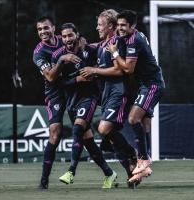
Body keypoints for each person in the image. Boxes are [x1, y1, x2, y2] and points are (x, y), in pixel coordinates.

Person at [51, 23, 117, 189]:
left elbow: (103, 64)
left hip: (89, 97)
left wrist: (95, 70)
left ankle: (71, 172)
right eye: (64, 36)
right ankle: (109, 173)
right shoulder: (58, 56)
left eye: (70, 35)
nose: (68, 39)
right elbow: (57, 83)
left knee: (77, 129)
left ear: (77, 35)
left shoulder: (89, 50)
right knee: (88, 142)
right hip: (72, 102)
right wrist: (75, 78)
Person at [80, 9, 138, 188]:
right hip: (106, 95)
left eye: (100, 25)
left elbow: (118, 70)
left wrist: (94, 70)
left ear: (111, 26)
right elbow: (93, 49)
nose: (97, 27)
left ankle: (133, 153)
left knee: (104, 129)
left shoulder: (116, 42)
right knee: (110, 138)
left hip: (118, 93)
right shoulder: (102, 44)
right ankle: (131, 173)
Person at [106, 10, 165, 182]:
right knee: (145, 126)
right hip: (145, 85)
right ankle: (143, 168)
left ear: (133, 26)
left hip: (152, 85)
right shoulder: (133, 37)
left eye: (123, 25)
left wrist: (114, 53)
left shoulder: (134, 40)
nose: (120, 28)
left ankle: (144, 159)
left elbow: (128, 69)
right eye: (118, 25)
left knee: (133, 119)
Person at [33, 17, 86, 189]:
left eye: (46, 28)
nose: (43, 32)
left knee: (85, 132)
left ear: (53, 28)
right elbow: (50, 76)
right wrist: (62, 59)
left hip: (73, 88)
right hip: (55, 93)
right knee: (55, 133)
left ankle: (108, 172)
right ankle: (44, 180)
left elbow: (79, 44)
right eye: (39, 29)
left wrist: (81, 42)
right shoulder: (39, 52)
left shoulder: (65, 39)